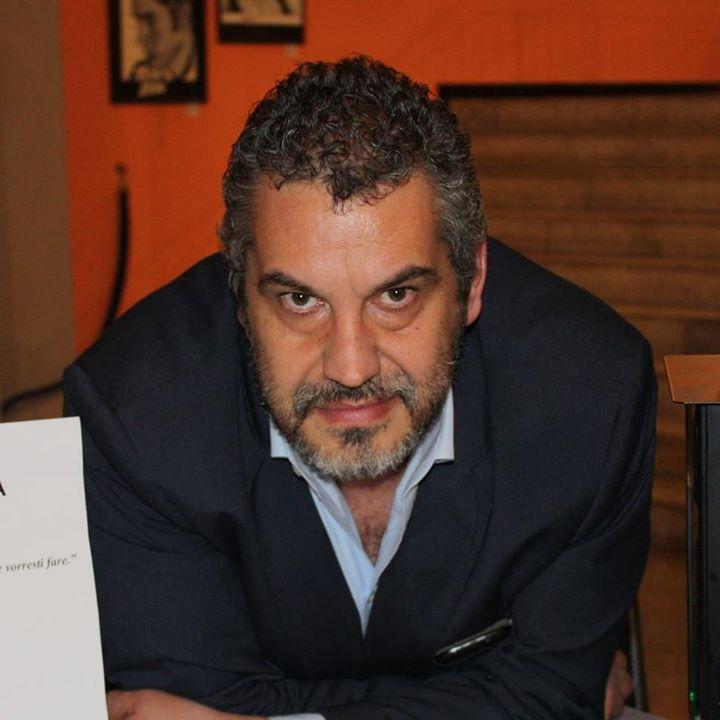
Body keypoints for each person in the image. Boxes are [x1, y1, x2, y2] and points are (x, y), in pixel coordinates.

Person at [64, 56, 655, 720]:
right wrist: (499, 696)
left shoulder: (590, 398)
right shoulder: (133, 416)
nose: (350, 367)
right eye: (299, 300)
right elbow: (196, 701)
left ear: (471, 284)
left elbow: (549, 695)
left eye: (396, 296)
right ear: (239, 296)